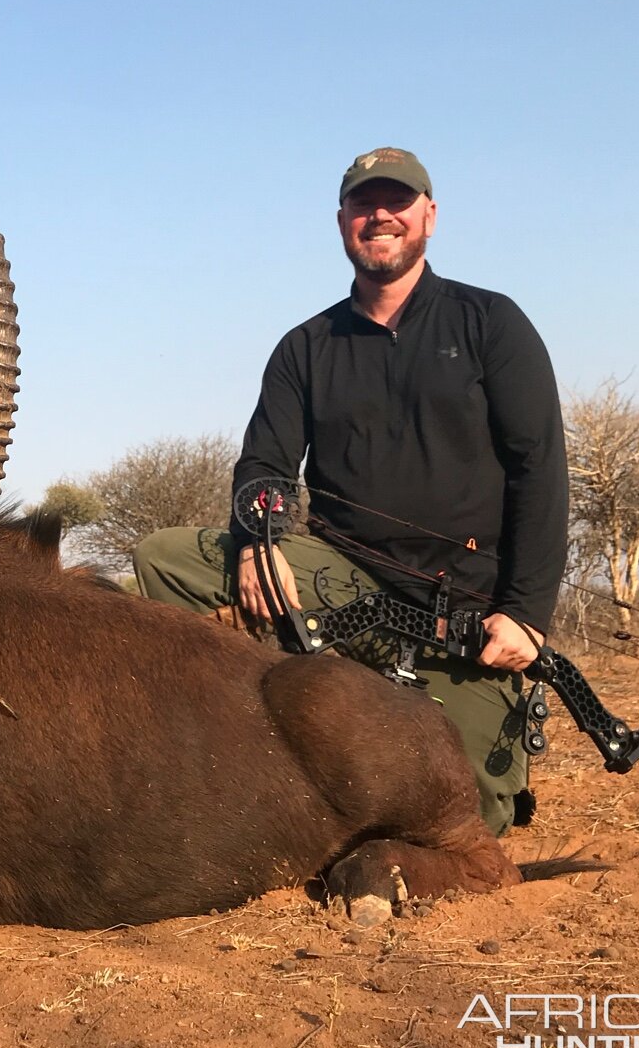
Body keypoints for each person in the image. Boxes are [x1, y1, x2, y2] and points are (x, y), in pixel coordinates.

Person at [133, 147, 568, 837]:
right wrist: (259, 539)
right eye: (365, 205)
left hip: (459, 617)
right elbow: (264, 468)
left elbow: (541, 470)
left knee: (474, 820)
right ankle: (242, 754)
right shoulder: (304, 348)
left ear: (429, 215)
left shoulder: (492, 324)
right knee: (164, 558)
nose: (381, 216)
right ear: (342, 221)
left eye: (397, 202)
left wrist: (525, 614)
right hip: (344, 585)